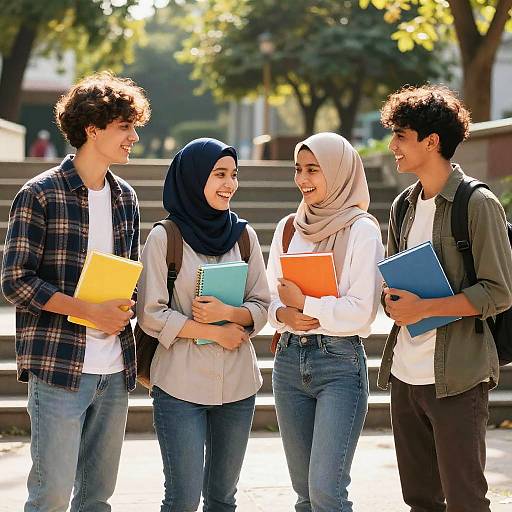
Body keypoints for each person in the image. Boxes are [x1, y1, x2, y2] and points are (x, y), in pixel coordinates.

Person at [1, 71, 150, 511]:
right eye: (125, 127)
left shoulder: (126, 198)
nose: (133, 137)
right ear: (93, 129)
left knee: (96, 499)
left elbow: (127, 274)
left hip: (114, 371)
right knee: (50, 496)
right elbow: (15, 280)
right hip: (60, 369)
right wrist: (87, 309)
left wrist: (126, 305)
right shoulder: (41, 194)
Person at [378, 85, 512, 512]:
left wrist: (425, 308)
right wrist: (393, 302)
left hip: (458, 379)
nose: (392, 145)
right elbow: (393, 282)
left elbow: (498, 291)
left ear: (431, 141)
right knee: (419, 499)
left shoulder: (478, 203)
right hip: (404, 375)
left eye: (401, 135)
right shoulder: (403, 205)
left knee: (466, 500)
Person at [136, 137, 270, 512]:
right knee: (182, 499)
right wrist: (212, 330)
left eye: (233, 175)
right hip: (179, 386)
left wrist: (232, 315)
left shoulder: (244, 236)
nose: (229, 184)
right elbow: (150, 313)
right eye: (219, 174)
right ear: (194, 179)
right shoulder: (165, 237)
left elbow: (261, 303)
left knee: (222, 499)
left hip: (238, 387)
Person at [266, 132, 384, 512]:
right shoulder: (288, 228)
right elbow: (269, 297)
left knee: (326, 492)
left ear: (339, 171)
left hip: (339, 364)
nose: (303, 179)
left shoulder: (362, 230)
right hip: (287, 362)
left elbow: (361, 310)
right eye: (298, 169)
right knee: (304, 494)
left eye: (313, 170)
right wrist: (283, 314)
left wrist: (306, 304)